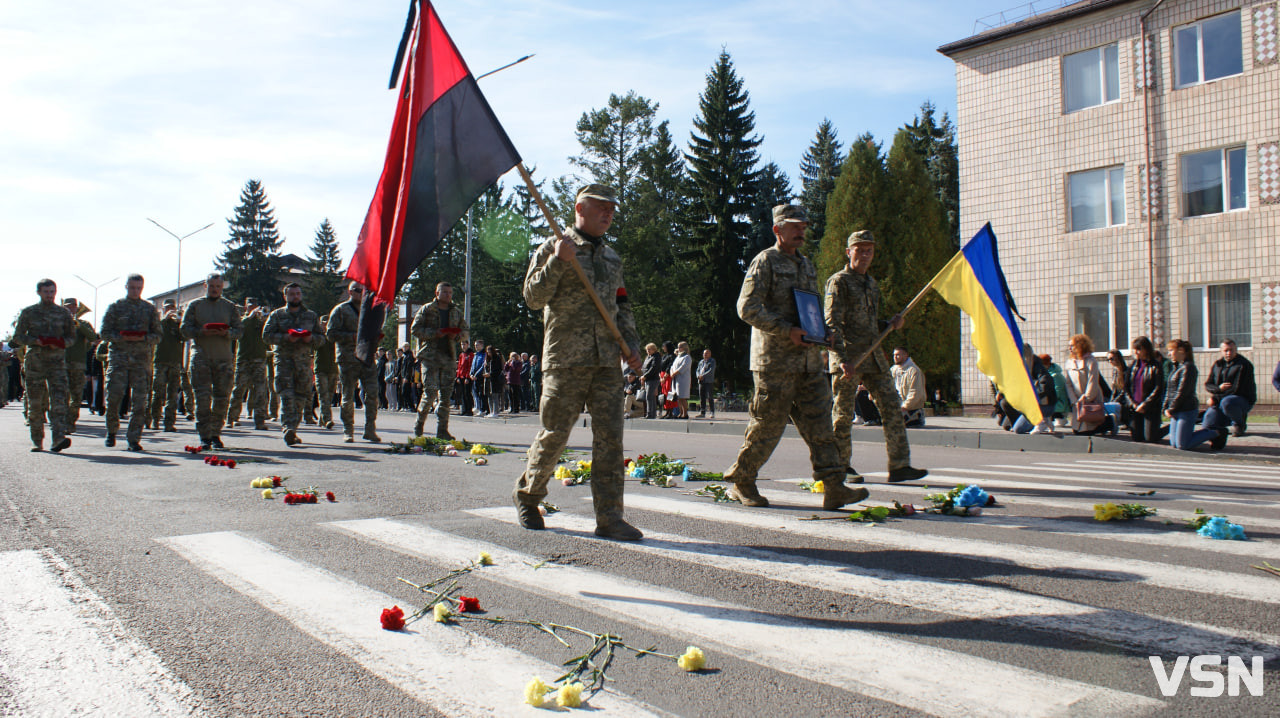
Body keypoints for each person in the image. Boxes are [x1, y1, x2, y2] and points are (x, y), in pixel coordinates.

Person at [513, 183, 644, 541]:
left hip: (605, 361)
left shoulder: (612, 259)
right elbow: (532, 297)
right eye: (601, 207)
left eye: (612, 210)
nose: (608, 214)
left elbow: (623, 308)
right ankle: (528, 496)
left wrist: (632, 347)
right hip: (565, 359)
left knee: (610, 440)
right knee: (555, 434)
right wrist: (558, 261)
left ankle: (610, 517)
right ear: (579, 209)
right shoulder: (553, 247)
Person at [724, 205, 870, 510]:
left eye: (803, 226)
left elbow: (812, 310)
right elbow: (746, 307)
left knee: (821, 426)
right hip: (774, 363)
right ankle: (742, 481)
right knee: (767, 426)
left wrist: (824, 335)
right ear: (778, 229)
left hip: (808, 360)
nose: (801, 231)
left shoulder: (807, 265)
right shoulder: (765, 261)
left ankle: (834, 486)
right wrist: (785, 330)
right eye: (794, 226)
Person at [826, 229, 928, 484]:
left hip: (873, 357)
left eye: (869, 250)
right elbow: (831, 324)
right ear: (849, 252)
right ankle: (841, 467)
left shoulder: (871, 284)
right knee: (843, 414)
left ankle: (899, 465)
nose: (865, 254)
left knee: (893, 407)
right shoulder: (838, 281)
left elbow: (870, 323)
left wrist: (890, 324)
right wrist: (841, 359)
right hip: (850, 358)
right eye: (859, 249)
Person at [13, 279, 76, 452]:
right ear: (39, 292)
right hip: (36, 360)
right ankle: (37, 440)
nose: (49, 295)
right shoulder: (29, 312)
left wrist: (61, 343)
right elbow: (17, 337)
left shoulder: (63, 313)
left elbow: (71, 338)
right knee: (35, 402)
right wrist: (36, 341)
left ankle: (58, 438)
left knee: (59, 401)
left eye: (52, 292)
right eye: (46, 292)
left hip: (57, 361)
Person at [181, 273, 243, 450]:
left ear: (222, 287)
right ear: (205, 285)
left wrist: (227, 333)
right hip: (201, 358)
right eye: (212, 286)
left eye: (218, 286)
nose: (215, 289)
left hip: (223, 359)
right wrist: (201, 331)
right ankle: (204, 436)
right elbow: (184, 330)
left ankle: (216, 433)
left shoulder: (229, 307)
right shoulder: (195, 305)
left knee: (222, 398)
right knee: (202, 398)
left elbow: (240, 330)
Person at [99, 275, 161, 450]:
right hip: (119, 359)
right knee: (113, 398)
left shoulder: (149, 310)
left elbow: (158, 335)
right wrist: (121, 337)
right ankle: (111, 431)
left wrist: (143, 337)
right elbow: (104, 333)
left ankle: (134, 438)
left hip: (141, 361)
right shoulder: (116, 308)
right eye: (132, 287)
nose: (135, 291)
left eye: (138, 288)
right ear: (126, 287)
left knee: (140, 402)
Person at [263, 283, 322, 446]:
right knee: (287, 396)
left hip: (303, 363)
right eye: (292, 294)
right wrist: (285, 338)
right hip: (284, 362)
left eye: (298, 294)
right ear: (285, 296)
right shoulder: (277, 315)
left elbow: (321, 338)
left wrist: (311, 339)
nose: (295, 297)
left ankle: (292, 429)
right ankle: (288, 427)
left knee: (301, 398)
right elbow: (266, 336)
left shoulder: (310, 316)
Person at [411, 281, 468, 438]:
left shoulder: (455, 312)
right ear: (437, 293)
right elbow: (415, 329)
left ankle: (442, 430)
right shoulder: (427, 309)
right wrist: (434, 333)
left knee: (445, 396)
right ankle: (419, 426)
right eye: (444, 292)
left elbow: (465, 331)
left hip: (448, 357)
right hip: (429, 357)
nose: (447, 295)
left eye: (450, 293)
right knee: (429, 392)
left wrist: (456, 336)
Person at [327, 282, 381, 443]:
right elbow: (330, 334)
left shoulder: (371, 309)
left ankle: (370, 429)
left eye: (365, 291)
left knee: (372, 394)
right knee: (348, 395)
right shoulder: (341, 310)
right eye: (359, 291)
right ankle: (348, 430)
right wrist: (350, 336)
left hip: (368, 358)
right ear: (350, 292)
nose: (363, 293)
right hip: (348, 359)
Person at [1164, 339, 1228, 451]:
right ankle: (1193, 435)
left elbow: (1182, 392)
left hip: (1186, 409)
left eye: (1171, 350)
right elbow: (1169, 390)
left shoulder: (1189, 368)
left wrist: (1171, 408)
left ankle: (1216, 432)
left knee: (1182, 445)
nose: (1169, 354)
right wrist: (1165, 407)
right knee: (1174, 443)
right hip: (1176, 409)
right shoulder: (1177, 367)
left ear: (1181, 350)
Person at [227, 297, 270, 430]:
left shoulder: (261, 321)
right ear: (246, 308)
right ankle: (231, 419)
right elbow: (237, 332)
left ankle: (260, 421)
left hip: (259, 359)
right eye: (251, 306)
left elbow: (268, 335)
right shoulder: (242, 320)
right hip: (244, 359)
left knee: (260, 392)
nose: (254, 308)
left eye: (255, 306)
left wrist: (264, 319)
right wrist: (250, 317)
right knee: (238, 390)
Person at [1202, 338, 1255, 437]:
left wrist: (1215, 398)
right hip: (1220, 400)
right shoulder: (1217, 365)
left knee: (1227, 402)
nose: (1228, 353)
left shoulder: (1244, 365)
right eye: (1226, 350)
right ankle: (1222, 430)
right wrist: (1218, 389)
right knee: (1207, 426)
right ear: (1221, 351)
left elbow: (1237, 388)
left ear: (1236, 350)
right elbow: (1208, 384)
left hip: (1241, 400)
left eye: (1231, 350)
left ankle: (1239, 424)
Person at [61, 298, 98, 434]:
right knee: (61, 395)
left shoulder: (83, 323)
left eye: (73, 307)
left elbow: (93, 338)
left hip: (77, 365)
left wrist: (78, 325)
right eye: (67, 307)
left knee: (76, 396)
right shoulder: (59, 323)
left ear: (76, 309)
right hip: (61, 364)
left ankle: (70, 422)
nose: (70, 309)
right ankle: (63, 421)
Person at [1062, 333, 1111, 436]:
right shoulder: (1069, 363)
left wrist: (1087, 397)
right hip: (1077, 400)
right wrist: (1073, 399)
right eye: (1069, 346)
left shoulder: (1091, 361)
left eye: (1072, 345)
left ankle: (1110, 422)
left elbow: (1092, 381)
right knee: (1077, 430)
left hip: (1090, 399)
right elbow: (1068, 383)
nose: (1070, 348)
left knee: (1090, 426)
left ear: (1081, 345)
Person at [150, 299, 184, 432]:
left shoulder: (177, 324)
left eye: (172, 307)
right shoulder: (158, 322)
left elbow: (184, 337)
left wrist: (180, 322)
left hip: (174, 362)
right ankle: (155, 420)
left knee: (173, 394)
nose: (170, 310)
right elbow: (156, 332)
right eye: (167, 308)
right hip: (160, 362)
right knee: (158, 393)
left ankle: (169, 423)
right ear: (163, 310)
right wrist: (165, 318)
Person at [1125, 336, 1165, 443]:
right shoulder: (1133, 365)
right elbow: (1126, 387)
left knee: (1150, 438)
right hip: (1135, 406)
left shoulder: (1156, 366)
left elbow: (1158, 388)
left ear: (1146, 350)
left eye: (1139, 349)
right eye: (1134, 349)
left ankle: (1169, 429)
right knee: (1136, 438)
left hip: (1150, 407)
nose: (1136, 352)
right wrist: (1133, 403)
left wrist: (1145, 404)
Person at [889, 346, 927, 428]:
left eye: (898, 355)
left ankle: (916, 418)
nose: (895, 357)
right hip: (897, 401)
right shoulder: (893, 370)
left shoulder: (914, 370)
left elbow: (915, 392)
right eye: (894, 355)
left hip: (909, 406)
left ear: (905, 355)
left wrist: (905, 406)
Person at [314, 316, 339, 429]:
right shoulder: (318, 336)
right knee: (323, 395)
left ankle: (322, 418)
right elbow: (315, 345)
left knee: (329, 396)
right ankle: (328, 419)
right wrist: (322, 331)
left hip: (333, 369)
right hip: (321, 369)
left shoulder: (333, 336)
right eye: (324, 323)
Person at [1040, 354, 1071, 427]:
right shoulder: (1048, 374)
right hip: (1056, 401)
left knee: (1044, 403)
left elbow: (1057, 393)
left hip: (1061, 404)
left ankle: (1060, 417)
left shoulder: (1056, 376)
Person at [670, 341, 692, 419]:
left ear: (684, 348)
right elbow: (672, 366)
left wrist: (675, 373)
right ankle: (680, 412)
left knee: (683, 397)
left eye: (680, 347)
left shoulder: (687, 357)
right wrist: (672, 372)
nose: (678, 348)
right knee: (678, 397)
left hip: (683, 379)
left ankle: (685, 413)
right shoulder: (678, 357)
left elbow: (683, 367)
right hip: (676, 379)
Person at [640, 343, 661, 419]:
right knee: (650, 396)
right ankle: (652, 413)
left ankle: (650, 414)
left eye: (649, 349)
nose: (648, 351)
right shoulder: (648, 357)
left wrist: (645, 376)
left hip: (653, 379)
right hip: (647, 379)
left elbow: (653, 368)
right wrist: (642, 376)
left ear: (654, 349)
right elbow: (644, 367)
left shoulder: (656, 357)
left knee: (649, 396)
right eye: (647, 350)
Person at [455, 340, 474, 416]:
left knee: (467, 394)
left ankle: (469, 410)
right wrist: (458, 376)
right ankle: (464, 409)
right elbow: (459, 366)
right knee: (462, 394)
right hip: (461, 376)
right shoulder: (461, 354)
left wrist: (467, 377)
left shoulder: (470, 354)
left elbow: (470, 366)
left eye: (464, 344)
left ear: (467, 345)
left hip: (466, 377)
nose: (463, 346)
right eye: (462, 344)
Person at [470, 338, 489, 416]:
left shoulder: (484, 354)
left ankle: (483, 409)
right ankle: (479, 408)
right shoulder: (476, 354)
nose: (476, 347)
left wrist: (476, 374)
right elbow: (472, 365)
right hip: (474, 377)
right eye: (475, 345)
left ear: (481, 345)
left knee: (482, 394)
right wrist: (471, 374)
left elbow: (482, 366)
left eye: (477, 345)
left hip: (481, 377)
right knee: (477, 393)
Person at [696, 348, 716, 418]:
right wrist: (698, 376)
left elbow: (711, 371)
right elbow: (698, 370)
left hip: (708, 381)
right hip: (701, 381)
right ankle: (702, 412)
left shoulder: (712, 361)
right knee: (702, 397)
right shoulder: (701, 362)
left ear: (710, 354)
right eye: (704, 353)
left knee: (710, 397)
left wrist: (703, 376)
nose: (705, 354)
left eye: (707, 353)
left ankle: (712, 412)